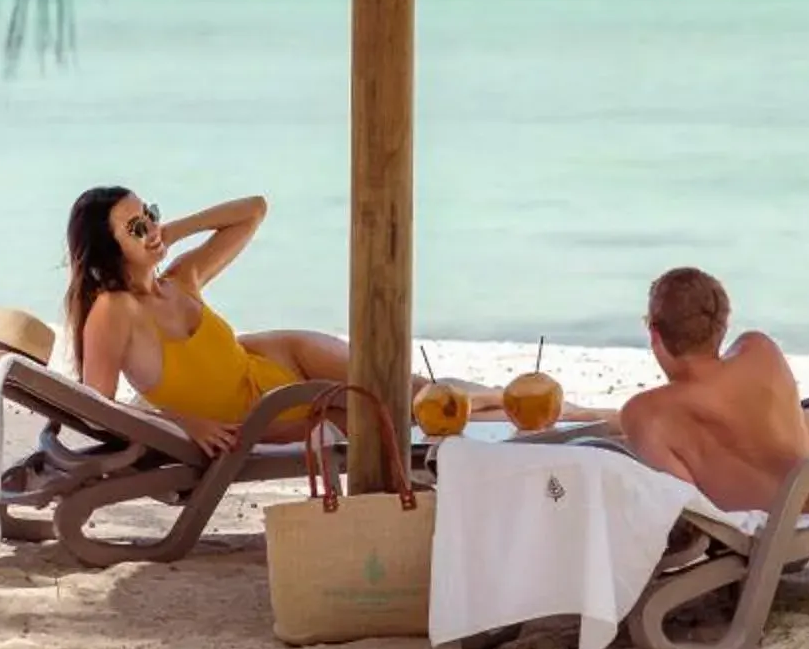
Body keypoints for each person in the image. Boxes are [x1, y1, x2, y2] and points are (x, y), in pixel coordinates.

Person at [61, 186, 500, 456]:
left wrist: (169, 232)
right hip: (265, 418)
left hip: (285, 358)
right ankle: (509, 404)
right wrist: (184, 424)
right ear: (108, 248)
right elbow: (98, 410)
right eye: (135, 228)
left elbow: (254, 208)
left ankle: (528, 406)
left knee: (407, 393)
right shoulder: (114, 311)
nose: (151, 228)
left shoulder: (181, 279)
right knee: (401, 410)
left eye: (150, 214)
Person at [618, 266, 809, 514]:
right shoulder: (757, 350)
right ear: (722, 326)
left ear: (654, 333)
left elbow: (692, 508)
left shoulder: (645, 415)